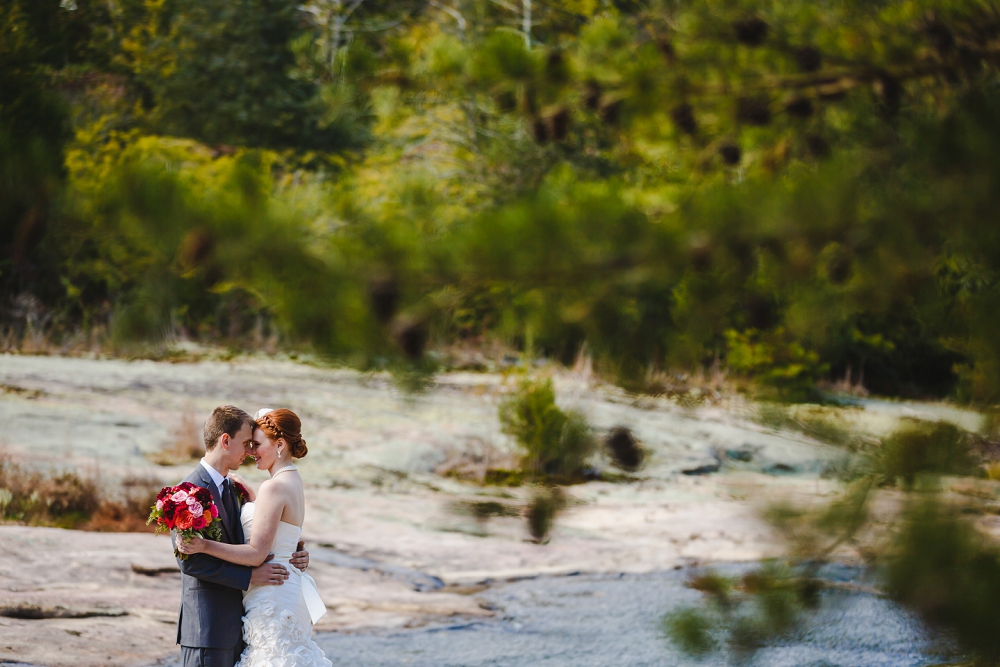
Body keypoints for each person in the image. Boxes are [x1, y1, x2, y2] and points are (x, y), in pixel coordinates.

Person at [178, 408, 330, 667]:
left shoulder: (270, 486)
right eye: (248, 444)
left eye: (256, 444)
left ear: (279, 444)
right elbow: (189, 562)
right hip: (216, 623)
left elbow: (259, 549)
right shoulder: (188, 492)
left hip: (270, 599)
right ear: (225, 441)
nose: (251, 452)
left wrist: (204, 544)